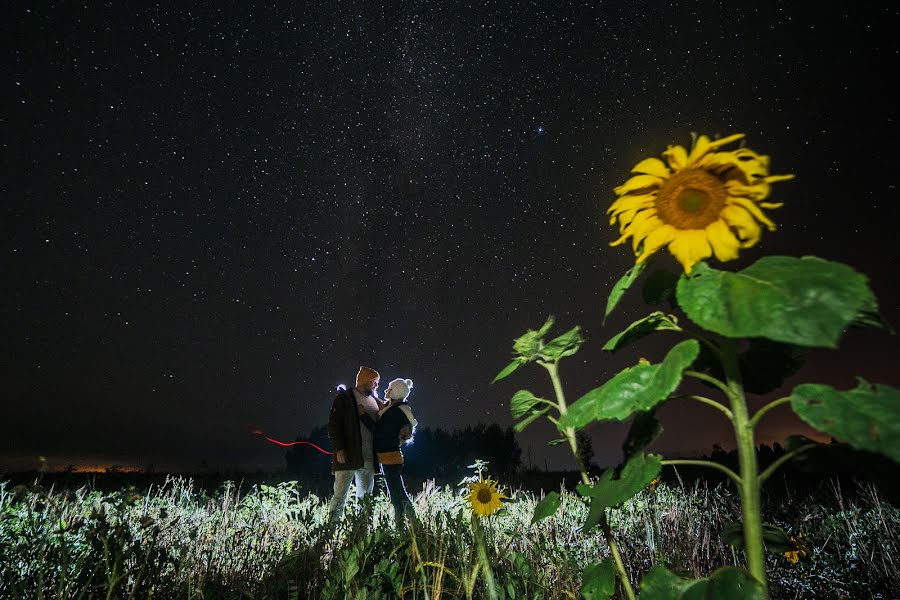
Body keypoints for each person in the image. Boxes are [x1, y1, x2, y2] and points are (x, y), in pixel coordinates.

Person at [326, 366, 383, 525]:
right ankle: (330, 531)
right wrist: (339, 448)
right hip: (348, 457)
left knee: (365, 499)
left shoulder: (375, 401)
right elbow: (334, 425)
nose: (376, 385)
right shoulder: (344, 398)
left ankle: (361, 532)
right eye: (374, 382)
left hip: (368, 459)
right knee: (340, 496)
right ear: (365, 381)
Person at [361, 377, 417, 529]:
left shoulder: (394, 413)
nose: (386, 390)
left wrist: (363, 416)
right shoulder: (396, 409)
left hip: (390, 458)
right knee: (398, 492)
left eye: (389, 388)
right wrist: (372, 395)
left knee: (397, 494)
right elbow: (383, 406)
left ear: (395, 392)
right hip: (391, 458)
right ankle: (412, 523)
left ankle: (404, 525)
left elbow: (378, 431)